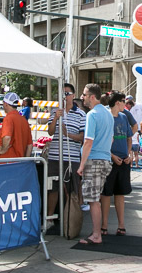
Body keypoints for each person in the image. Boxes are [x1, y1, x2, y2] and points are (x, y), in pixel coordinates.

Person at [44, 83, 85, 233]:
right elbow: (50, 132)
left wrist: (69, 135)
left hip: (72, 157)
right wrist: (55, 118)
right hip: (55, 156)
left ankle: (72, 218)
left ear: (73, 95)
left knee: (72, 189)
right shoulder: (55, 111)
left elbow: (83, 137)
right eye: (62, 94)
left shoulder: (81, 114)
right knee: (52, 188)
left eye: (67, 94)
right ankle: (49, 218)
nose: (64, 97)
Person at [77, 83, 114, 245]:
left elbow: (88, 141)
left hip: (94, 159)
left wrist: (81, 164)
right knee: (95, 198)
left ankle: (96, 235)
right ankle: (97, 233)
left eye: (84, 94)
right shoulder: (108, 114)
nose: (82, 97)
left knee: (93, 200)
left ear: (92, 96)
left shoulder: (92, 115)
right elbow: (110, 139)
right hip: (105, 159)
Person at [101, 92, 134, 236]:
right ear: (116, 102)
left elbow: (129, 137)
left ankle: (121, 225)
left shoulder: (124, 117)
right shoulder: (106, 117)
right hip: (109, 160)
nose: (125, 104)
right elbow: (101, 141)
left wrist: (128, 154)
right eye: (123, 101)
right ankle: (104, 226)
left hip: (123, 161)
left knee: (121, 193)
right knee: (106, 193)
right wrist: (112, 156)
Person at [0, 92, 33, 159]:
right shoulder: (24, 120)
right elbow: (30, 145)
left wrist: (3, 151)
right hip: (20, 162)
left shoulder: (8, 118)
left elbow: (7, 137)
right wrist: (25, 160)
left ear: (5, 104)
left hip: (7, 161)